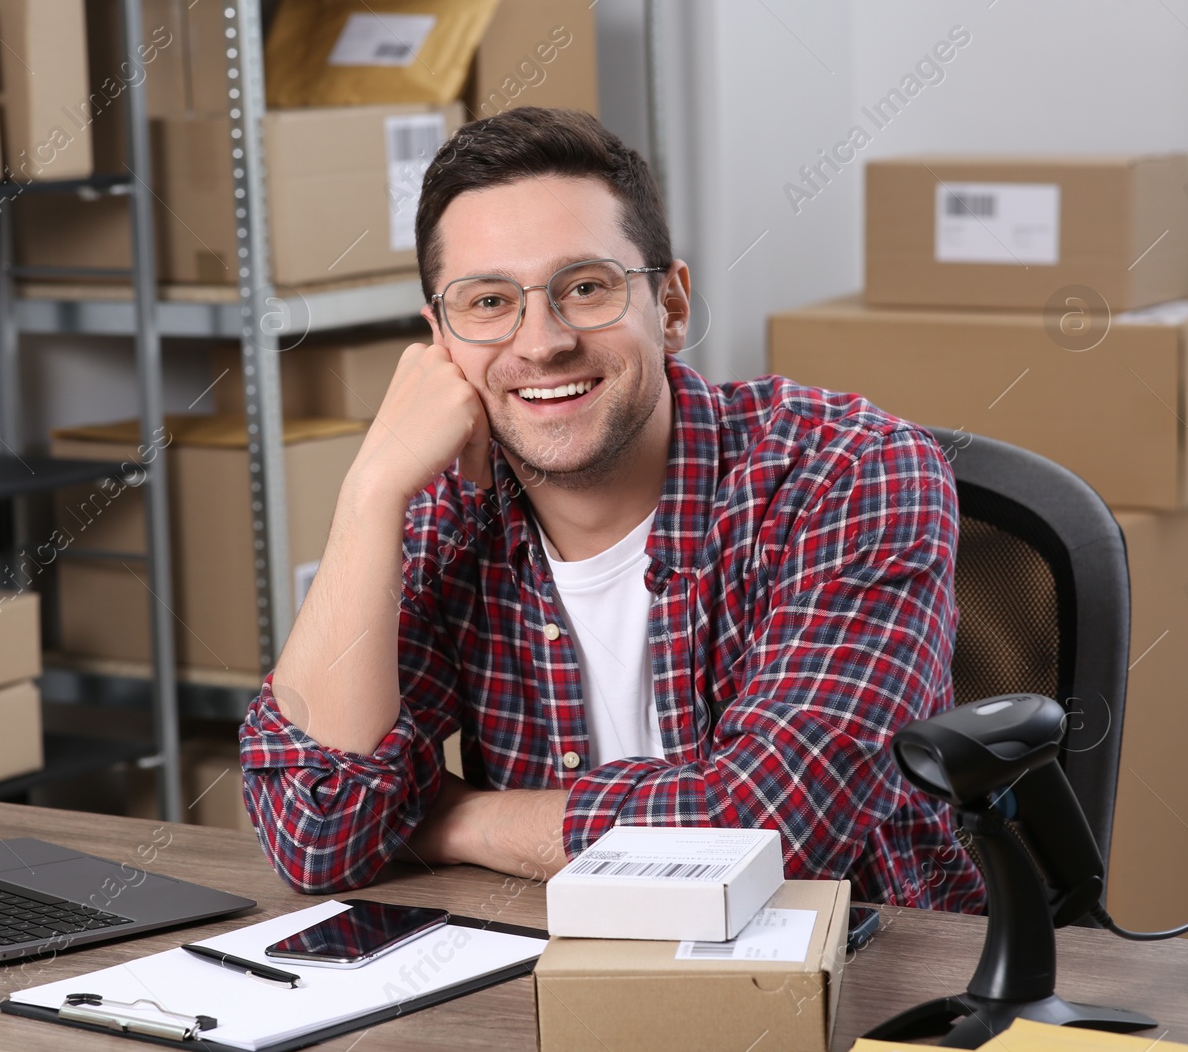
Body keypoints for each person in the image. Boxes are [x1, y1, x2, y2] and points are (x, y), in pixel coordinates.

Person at [239, 106, 986, 913]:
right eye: (488, 302)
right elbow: (318, 829)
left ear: (669, 307)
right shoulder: (447, 513)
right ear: (441, 341)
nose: (541, 342)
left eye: (586, 287)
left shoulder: (851, 472)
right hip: (556, 991)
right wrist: (370, 491)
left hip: (867, 992)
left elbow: (768, 834)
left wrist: (449, 818)